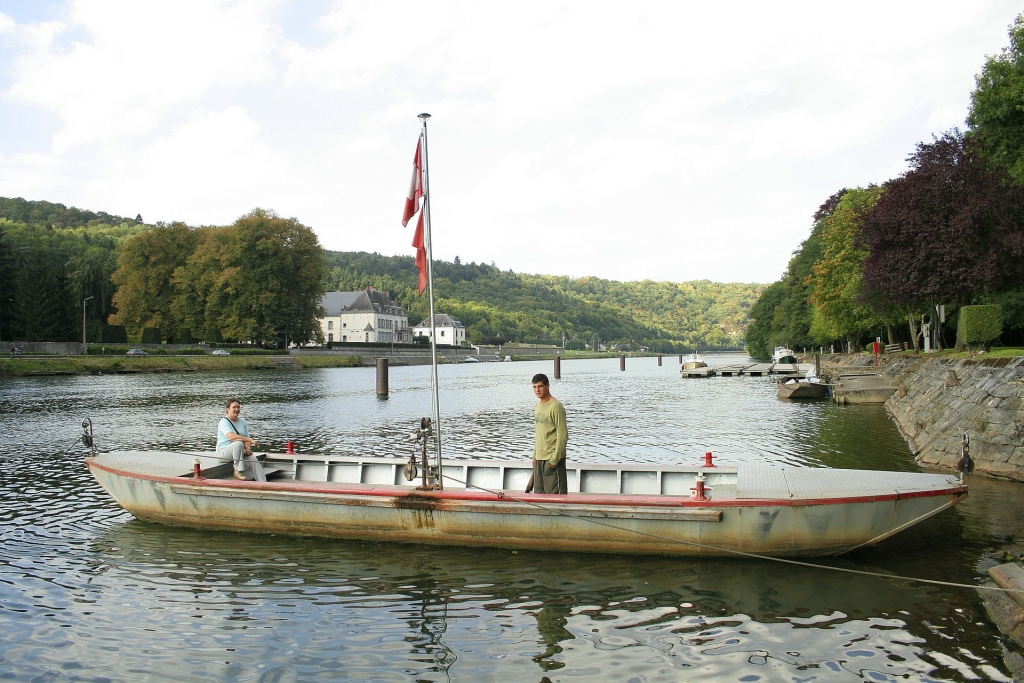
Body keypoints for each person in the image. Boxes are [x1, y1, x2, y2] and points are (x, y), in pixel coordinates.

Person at [530, 373, 568, 494]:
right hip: (539, 459)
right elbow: (539, 433)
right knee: (539, 498)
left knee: (555, 499)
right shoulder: (537, 406)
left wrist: (554, 461)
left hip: (552, 460)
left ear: (548, 386)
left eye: (540, 386)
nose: (537, 390)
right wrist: (535, 454)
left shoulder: (556, 407)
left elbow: (563, 435)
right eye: (535, 387)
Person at [216, 398, 266, 481]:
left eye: (238, 407)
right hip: (223, 453)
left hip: (239, 452)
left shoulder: (242, 421)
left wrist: (247, 449)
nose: (237, 409)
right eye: (234, 407)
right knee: (238, 443)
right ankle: (238, 471)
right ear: (227, 409)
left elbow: (246, 439)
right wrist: (250, 440)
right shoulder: (223, 422)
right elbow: (232, 437)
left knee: (253, 458)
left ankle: (263, 483)